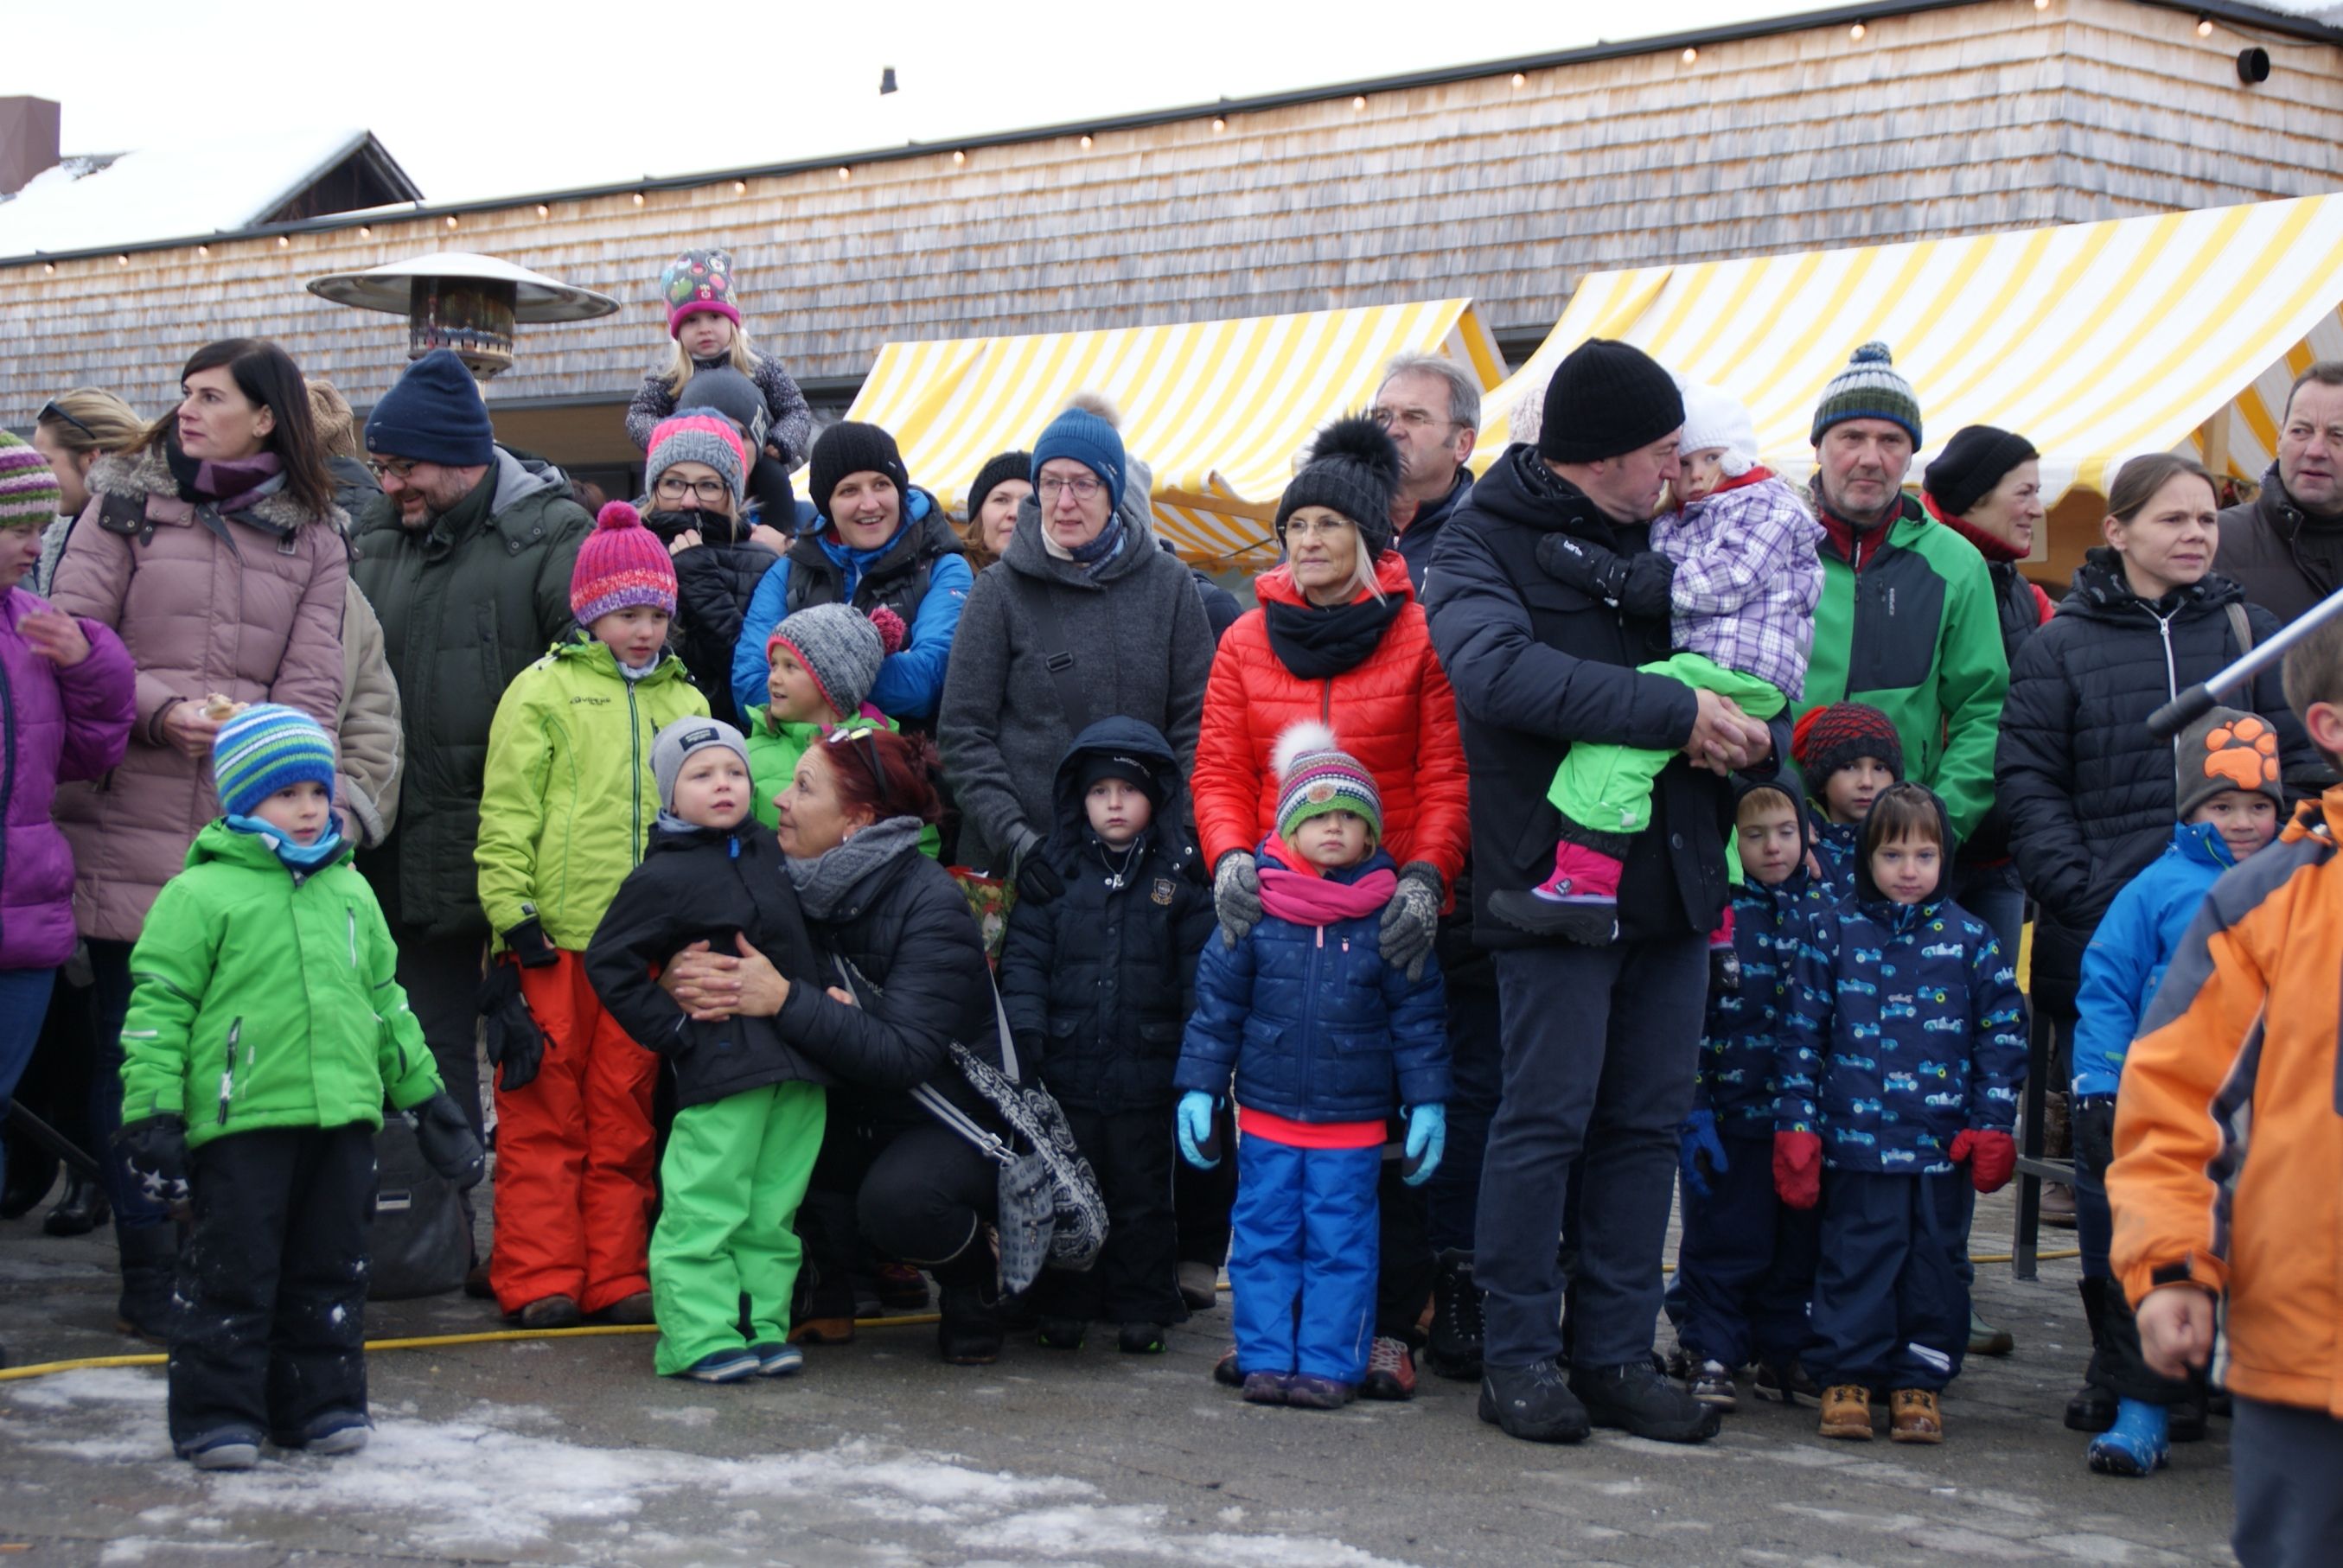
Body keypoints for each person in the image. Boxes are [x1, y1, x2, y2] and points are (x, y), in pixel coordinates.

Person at [1426, 339, 1778, 1446]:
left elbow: (1749, 652)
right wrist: (1675, 713)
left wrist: (1754, 734)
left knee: (1644, 1123)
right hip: (1552, 881)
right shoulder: (1478, 539)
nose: (1679, 466)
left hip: (1676, 872)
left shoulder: (1676, 533)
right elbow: (1495, 674)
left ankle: (1615, 1352)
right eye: (1661, 449)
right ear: (1601, 454)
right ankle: (1519, 1356)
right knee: (1545, 1120)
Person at [48, 337, 350, 1342]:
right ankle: (146, 1265)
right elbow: (74, 642)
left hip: (243, 822)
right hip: (127, 809)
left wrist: (268, 762)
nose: (187, 408)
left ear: (265, 416)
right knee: (133, 1044)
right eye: (184, 391)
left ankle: (215, 1254)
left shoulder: (314, 535)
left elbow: (313, 688)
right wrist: (158, 711)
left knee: (237, 1047)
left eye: (211, 395)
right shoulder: (123, 504)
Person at [112, 705, 482, 1469]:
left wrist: (427, 1100)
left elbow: (386, 1005)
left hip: (342, 1117)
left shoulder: (349, 891)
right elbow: (158, 1009)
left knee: (332, 1266)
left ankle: (321, 1403)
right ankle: (219, 1414)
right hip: (242, 1121)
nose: (310, 808)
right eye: (287, 794)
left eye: (318, 791)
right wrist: (152, 1114)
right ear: (244, 800)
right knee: (234, 1270)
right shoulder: (200, 894)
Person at [1190, 413, 1469, 1399]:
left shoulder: (1419, 635)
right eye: (1295, 526)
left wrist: (1426, 878)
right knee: (1276, 1144)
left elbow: (1444, 775)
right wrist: (1230, 858)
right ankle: (1276, 1332)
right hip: (1275, 904)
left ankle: (1380, 1329)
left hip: (1386, 912)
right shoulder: (1243, 638)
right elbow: (1220, 769)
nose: (1308, 542)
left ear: (1368, 537)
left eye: (1328, 526)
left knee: (1382, 1148)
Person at [1999, 456, 2319, 1240]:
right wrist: (2078, 889)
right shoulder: (2059, 645)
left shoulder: (2251, 633)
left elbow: (2305, 764)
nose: (2195, 534)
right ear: (2118, 531)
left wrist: (2283, 878)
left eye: (2206, 518)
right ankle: (2116, 1312)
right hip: (2106, 929)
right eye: (2172, 518)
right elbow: (2029, 780)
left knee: (2245, 1148)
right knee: (2117, 1152)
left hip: (2245, 935)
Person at [657, 727, 1013, 1365]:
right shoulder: (777, 875)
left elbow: (904, 1055)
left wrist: (786, 999)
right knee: (731, 1119)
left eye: (803, 788)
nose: (779, 800)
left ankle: (971, 1282)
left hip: (943, 1118)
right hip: (841, 1098)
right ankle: (818, 1293)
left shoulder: (929, 902)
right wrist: (678, 973)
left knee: (900, 1202)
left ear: (857, 820)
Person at [2110, 615, 2343, 1566]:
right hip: (2307, 1342)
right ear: (2331, 726)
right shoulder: (2265, 905)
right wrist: (2172, 1263)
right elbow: (2175, 1100)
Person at [349, 347, 593, 1166]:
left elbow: (588, 689)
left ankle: (492, 1223)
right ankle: (422, 1220)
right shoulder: (373, 535)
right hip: (391, 841)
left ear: (462, 457)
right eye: (381, 467)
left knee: (510, 1057)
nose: (391, 484)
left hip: (508, 846)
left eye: (405, 467)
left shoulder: (551, 533)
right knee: (410, 1044)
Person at [474, 501, 709, 1329]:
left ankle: (615, 1271)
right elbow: (508, 812)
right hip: (555, 941)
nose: (643, 632)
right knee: (542, 1108)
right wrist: (512, 912)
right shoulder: (542, 690)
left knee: (625, 1113)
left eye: (656, 615)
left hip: (643, 951)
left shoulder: (687, 700)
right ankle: (540, 1273)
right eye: (626, 614)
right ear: (589, 613)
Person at [1174, 725, 1450, 1410]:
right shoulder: (1253, 911)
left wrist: (1427, 1101)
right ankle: (1266, 1355)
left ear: (1370, 835)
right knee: (1263, 1238)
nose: (1333, 828)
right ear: (1288, 827)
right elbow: (1216, 1011)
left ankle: (1329, 1364)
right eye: (1318, 816)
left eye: (1349, 818)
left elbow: (1418, 1020)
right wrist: (1200, 1089)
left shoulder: (1388, 919)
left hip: (1352, 1126)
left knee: (1341, 1246)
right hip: (1268, 1118)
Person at [1492, 383, 1823, 948]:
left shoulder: (1768, 506)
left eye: (1707, 459)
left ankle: (1588, 877)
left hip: (1740, 666)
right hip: (1717, 665)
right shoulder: (1679, 517)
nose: (1692, 476)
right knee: (1696, 766)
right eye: (1682, 463)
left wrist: (1622, 579)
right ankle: (1719, 917)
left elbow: (1729, 578)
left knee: (1633, 716)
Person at [2063, 708, 2282, 1474]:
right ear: (2190, 808)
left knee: (2267, 1253)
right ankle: (2141, 1406)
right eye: (2222, 805)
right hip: (2169, 1103)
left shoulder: (2298, 884)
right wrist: (2099, 1082)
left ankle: (2244, 1388)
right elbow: (2107, 989)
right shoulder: (2155, 888)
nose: (2243, 822)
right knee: (2158, 1251)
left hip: (2269, 1112)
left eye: (2258, 806)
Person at [1775, 783, 2026, 1444]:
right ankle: (1847, 1376)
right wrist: (1796, 1124)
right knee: (1855, 1258)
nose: (1908, 870)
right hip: (1855, 1143)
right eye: (1892, 855)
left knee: (1934, 1266)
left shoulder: (1971, 940)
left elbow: (2002, 1037)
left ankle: (1920, 1378)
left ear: (1945, 859)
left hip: (1941, 1149)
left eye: (1924, 855)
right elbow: (1800, 1036)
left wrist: (1993, 1123)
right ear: (1867, 858)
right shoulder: (1832, 933)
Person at [584, 718, 828, 1384]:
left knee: (772, 1211)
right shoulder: (661, 877)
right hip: (722, 1066)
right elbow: (609, 962)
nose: (723, 785)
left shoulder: (772, 848)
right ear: (670, 793)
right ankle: (698, 1335)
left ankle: (760, 1327)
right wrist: (673, 1031)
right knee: (706, 1201)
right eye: (701, 775)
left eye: (734, 772)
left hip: (798, 1065)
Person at [998, 719, 1213, 1354]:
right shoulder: (1053, 874)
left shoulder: (1181, 879)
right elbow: (1024, 962)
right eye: (1099, 791)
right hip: (1066, 1069)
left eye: (1128, 790)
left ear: (1156, 798)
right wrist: (1027, 1033)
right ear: (1078, 799)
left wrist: (1196, 1058)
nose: (1114, 803)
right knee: (1068, 1188)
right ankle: (1065, 1302)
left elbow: (1200, 978)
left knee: (1143, 1194)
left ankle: (1142, 1303)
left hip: (1149, 1070)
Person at [940, 405, 1217, 881]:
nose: (1064, 502)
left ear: (1113, 491)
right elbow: (963, 734)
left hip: (1144, 865)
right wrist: (1015, 841)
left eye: (1083, 484)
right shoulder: (998, 591)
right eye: (1050, 483)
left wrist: (1180, 834)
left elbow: (1199, 723)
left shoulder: (1170, 585)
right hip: (1026, 869)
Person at [1799, 342, 2008, 854]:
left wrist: (1938, 825)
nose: (1871, 458)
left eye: (1891, 440)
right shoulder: (1771, 546)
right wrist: (1758, 810)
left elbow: (1984, 710)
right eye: (1852, 437)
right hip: (1775, 837)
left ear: (1912, 454)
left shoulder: (1957, 564)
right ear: (1819, 447)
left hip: (1902, 852)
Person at [0, 438, 133, 1208]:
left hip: (23, 918)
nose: (37, 544)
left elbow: (88, 752)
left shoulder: (34, 627)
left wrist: (90, 662)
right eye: (19, 528)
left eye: (42, 526)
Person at [1669, 778, 1828, 1410]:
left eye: (1786, 833)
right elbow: (1692, 1019)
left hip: (1803, 1120)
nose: (1772, 847)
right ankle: (1711, 1347)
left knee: (1796, 1242)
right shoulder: (1720, 915)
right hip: (1731, 1113)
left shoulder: (1827, 913)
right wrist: (1695, 1103)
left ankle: (1783, 1353)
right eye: (1754, 835)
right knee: (1726, 1238)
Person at [730, 422, 969, 729]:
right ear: (826, 504)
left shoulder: (943, 569)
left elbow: (926, 684)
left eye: (881, 485)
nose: (869, 504)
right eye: (849, 490)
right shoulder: (788, 572)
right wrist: (879, 666)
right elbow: (750, 689)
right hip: (796, 755)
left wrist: (796, 673)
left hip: (898, 755)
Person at [1920, 426, 2053, 960]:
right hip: (1918, 849)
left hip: (2000, 856)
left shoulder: (2024, 594)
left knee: (1994, 1005)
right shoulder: (1918, 573)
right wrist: (1930, 829)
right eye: (2025, 492)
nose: (2038, 509)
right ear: (1976, 498)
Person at [638, 409, 780, 729]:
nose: (689, 500)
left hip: (729, 738)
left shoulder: (763, 563)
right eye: (674, 483)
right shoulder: (624, 551)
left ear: (732, 492)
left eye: (708, 485)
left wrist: (702, 585)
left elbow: (762, 682)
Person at [625, 248, 814, 469]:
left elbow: (796, 410)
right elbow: (639, 416)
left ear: (731, 323)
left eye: (714, 317)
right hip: (694, 467)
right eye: (692, 321)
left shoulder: (759, 365)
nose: (704, 329)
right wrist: (672, 437)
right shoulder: (669, 373)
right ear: (678, 330)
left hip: (754, 464)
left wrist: (780, 442)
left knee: (773, 477)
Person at [746, 602, 910, 830]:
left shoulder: (881, 758)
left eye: (790, 666)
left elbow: (916, 837)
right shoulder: (747, 756)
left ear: (834, 683)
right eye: (773, 665)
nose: (774, 678)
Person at [2214, 360, 2343, 625]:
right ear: (2279, 439)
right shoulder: (2214, 541)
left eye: (2337, 435)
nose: (2315, 450)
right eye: (2300, 431)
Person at [1373, 354, 1479, 595]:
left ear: (1462, 443)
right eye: (1382, 416)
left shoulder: (1487, 532)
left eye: (1414, 417)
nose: (1391, 431)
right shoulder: (1333, 517)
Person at [29, 389, 145, 597]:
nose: (39, 477)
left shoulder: (139, 537)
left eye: (46, 462)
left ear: (91, 460)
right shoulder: (62, 533)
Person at [1791, 702, 1903, 897]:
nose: (1866, 782)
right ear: (1822, 779)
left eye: (1879, 768)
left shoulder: (1912, 844)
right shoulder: (1796, 842)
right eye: (1849, 767)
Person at [958, 451, 1031, 575]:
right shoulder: (942, 576)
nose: (1015, 513)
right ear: (979, 513)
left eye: (1028, 501)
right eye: (1001, 500)